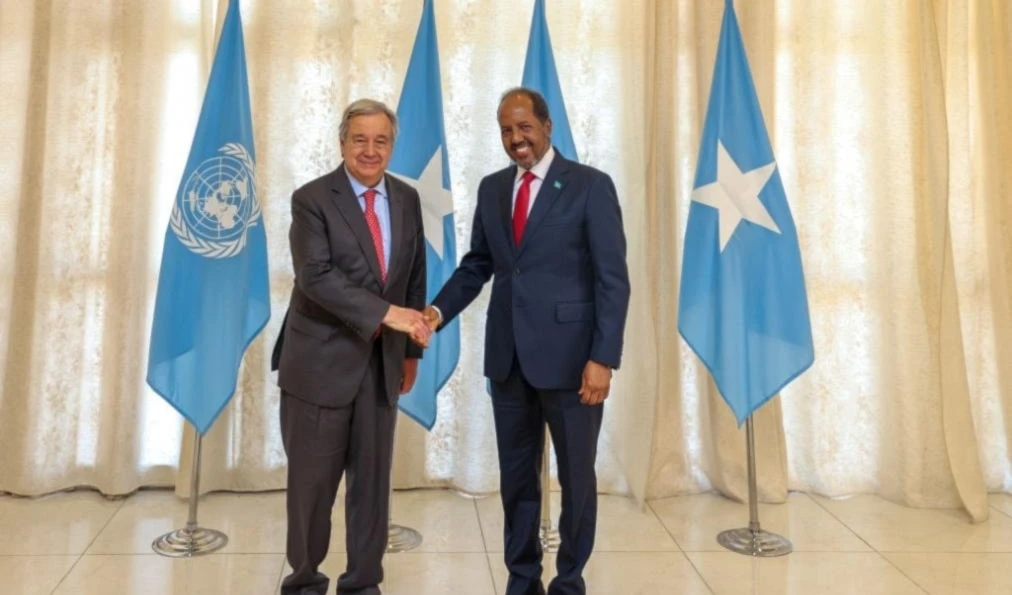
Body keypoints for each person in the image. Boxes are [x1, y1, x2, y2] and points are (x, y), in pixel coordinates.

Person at [424, 88, 630, 595]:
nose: (515, 139)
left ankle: (568, 582)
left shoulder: (589, 186)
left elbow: (612, 280)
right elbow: (478, 266)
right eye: (506, 130)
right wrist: (434, 312)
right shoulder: (494, 189)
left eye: (524, 127)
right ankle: (522, 579)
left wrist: (602, 358)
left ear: (547, 126)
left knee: (576, 479)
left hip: (573, 363)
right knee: (517, 482)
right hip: (509, 361)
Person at [271, 98, 431, 595]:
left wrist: (410, 353)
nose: (369, 149)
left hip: (382, 368)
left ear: (392, 145)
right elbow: (315, 277)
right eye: (359, 138)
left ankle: (363, 583)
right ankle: (302, 582)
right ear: (342, 142)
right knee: (312, 490)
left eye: (380, 140)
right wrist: (386, 314)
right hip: (319, 364)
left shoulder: (406, 199)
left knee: (371, 489)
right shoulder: (312, 199)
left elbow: (413, 278)